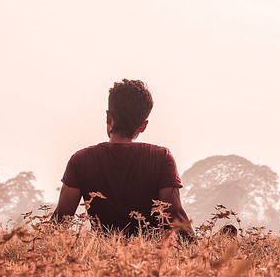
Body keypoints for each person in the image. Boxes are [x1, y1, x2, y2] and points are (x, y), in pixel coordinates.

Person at [52, 79, 193, 237]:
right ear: (143, 125)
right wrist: (200, 252)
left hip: (101, 258)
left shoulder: (80, 160)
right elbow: (175, 216)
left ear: (108, 117)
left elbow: (61, 219)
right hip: (151, 258)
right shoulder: (161, 158)